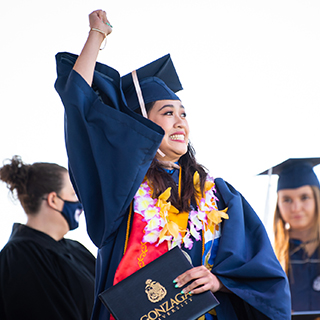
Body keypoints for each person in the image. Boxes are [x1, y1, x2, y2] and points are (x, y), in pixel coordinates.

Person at [54, 9, 291, 320]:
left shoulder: (219, 194)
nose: (180, 122)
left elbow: (259, 268)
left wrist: (220, 281)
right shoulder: (120, 190)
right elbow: (79, 103)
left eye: (183, 113)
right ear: (142, 125)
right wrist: (96, 35)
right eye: (168, 113)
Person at [0, 156, 96, 320]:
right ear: (53, 200)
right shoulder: (19, 256)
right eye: (73, 194)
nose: (80, 202)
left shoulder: (76, 249)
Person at [260, 158, 320, 312]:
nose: (296, 208)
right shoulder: (268, 255)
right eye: (287, 199)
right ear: (278, 204)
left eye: (304, 197)